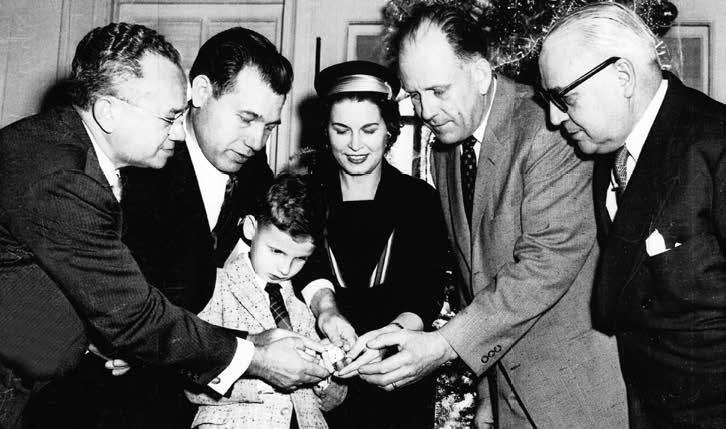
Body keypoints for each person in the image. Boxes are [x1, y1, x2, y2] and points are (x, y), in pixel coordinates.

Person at [0, 23, 328, 429]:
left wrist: (322, 306)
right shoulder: (64, 179)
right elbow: (132, 313)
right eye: (170, 117)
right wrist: (255, 357)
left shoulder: (77, 149)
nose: (178, 130)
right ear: (108, 112)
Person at [354, 5, 628, 428]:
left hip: (575, 394)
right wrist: (486, 393)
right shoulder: (445, 149)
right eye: (414, 94)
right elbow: (472, 273)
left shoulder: (545, 130)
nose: (425, 111)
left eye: (439, 91)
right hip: (506, 396)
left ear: (481, 74)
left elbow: (545, 264)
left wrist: (444, 345)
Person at [539, 2, 726, 427]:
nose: (553, 118)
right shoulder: (611, 151)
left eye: (563, 98)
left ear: (621, 77)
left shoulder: (715, 145)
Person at [292, 60, 448, 429]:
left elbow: (425, 292)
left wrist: (386, 338)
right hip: (319, 384)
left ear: (389, 131)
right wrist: (326, 311)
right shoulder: (306, 198)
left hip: (396, 374)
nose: (356, 145)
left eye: (369, 129)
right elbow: (299, 272)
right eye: (341, 130)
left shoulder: (418, 200)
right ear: (326, 132)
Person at [187, 172, 346, 429]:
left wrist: (330, 373)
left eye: (300, 259)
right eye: (276, 251)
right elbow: (192, 383)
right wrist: (266, 380)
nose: (285, 268)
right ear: (251, 228)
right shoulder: (215, 287)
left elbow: (330, 402)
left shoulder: (304, 306)